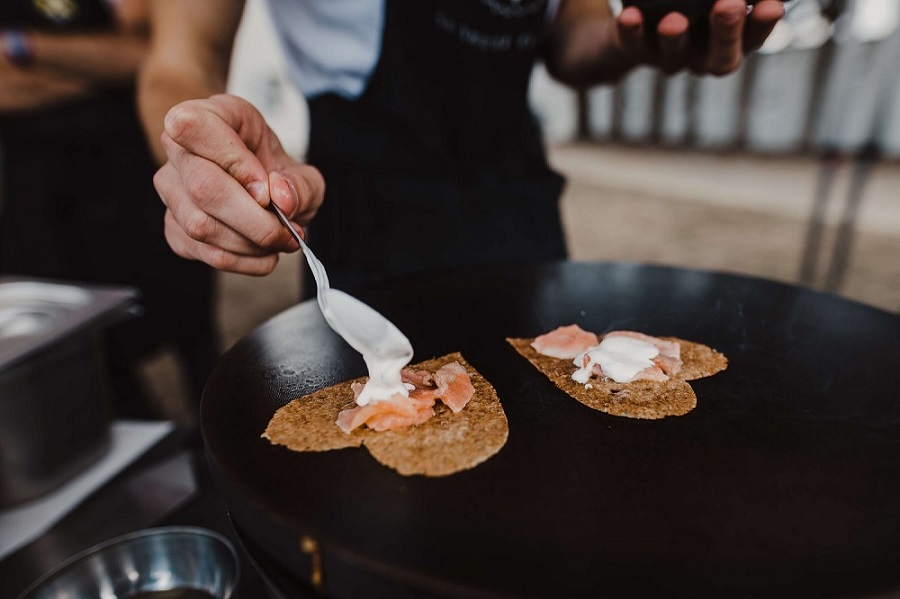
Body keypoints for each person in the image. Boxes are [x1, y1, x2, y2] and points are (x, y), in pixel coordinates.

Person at [140, 0, 784, 293]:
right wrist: (195, 142)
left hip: (515, 196)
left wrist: (633, 40)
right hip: (366, 207)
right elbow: (183, 54)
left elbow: (572, 34)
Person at [0, 0, 219, 417]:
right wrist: (101, 68)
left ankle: (219, 435)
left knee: (190, 319)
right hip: (40, 202)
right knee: (83, 347)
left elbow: (148, 56)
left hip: (133, 178)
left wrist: (24, 46)